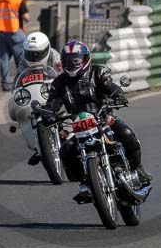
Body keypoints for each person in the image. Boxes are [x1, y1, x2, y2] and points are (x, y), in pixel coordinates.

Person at [44, 40, 152, 203]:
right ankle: (85, 184)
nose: (72, 64)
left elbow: (110, 86)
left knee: (126, 134)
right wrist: (48, 114)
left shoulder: (98, 72)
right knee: (66, 150)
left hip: (103, 118)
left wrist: (118, 95)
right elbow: (52, 103)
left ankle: (138, 169)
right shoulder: (60, 83)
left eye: (76, 60)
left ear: (85, 59)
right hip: (78, 125)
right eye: (68, 61)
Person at [11, 31, 62, 166]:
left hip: (51, 90)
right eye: (31, 54)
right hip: (35, 93)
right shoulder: (23, 59)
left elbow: (63, 75)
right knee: (25, 112)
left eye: (38, 54)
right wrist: (15, 95)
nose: (34, 57)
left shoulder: (55, 56)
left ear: (46, 49)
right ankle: (39, 146)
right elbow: (19, 77)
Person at [0, 0, 30, 91]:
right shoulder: (18, 0)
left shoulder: (0, 1)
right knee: (21, 58)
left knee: (3, 59)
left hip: (2, 33)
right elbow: (26, 18)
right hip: (15, 32)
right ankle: (22, 83)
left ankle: (5, 83)